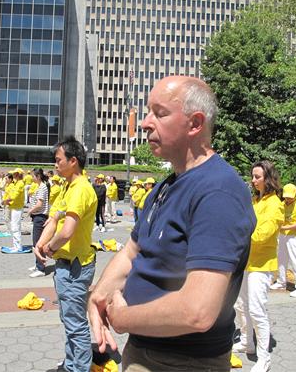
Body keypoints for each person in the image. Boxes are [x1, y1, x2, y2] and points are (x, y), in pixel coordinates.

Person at [88, 76, 256, 372]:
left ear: (195, 124)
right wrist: (99, 296)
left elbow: (197, 311)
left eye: (159, 113)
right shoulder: (166, 186)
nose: (145, 123)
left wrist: (122, 317)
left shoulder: (218, 191)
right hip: (144, 351)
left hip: (181, 363)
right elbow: (132, 252)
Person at [34, 136, 98, 372]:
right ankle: (72, 364)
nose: (55, 164)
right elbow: (54, 220)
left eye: (58, 160)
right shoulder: (67, 187)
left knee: (75, 324)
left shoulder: (81, 189)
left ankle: (78, 368)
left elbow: (68, 231)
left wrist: (49, 248)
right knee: (69, 319)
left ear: (73, 161)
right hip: (66, 265)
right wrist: (39, 245)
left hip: (75, 266)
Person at [233, 160, 284, 372]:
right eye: (252, 177)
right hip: (246, 261)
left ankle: (264, 357)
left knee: (256, 309)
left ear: (268, 179)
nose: (253, 181)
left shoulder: (275, 204)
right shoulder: (255, 201)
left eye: (257, 177)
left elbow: (263, 234)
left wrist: (238, 235)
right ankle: (247, 342)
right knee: (240, 306)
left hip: (262, 265)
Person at [271, 183, 296, 298]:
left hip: (295, 237)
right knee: (281, 260)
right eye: (286, 196)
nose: (288, 199)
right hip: (283, 236)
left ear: (295, 194)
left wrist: (285, 227)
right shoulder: (282, 204)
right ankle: (281, 282)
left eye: (290, 197)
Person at [27, 168, 49, 278]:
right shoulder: (40, 186)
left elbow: (40, 204)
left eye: (33, 176)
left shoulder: (42, 187)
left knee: (38, 243)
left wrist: (30, 211)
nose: (32, 178)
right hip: (38, 217)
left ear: (38, 176)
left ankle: (41, 268)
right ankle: (38, 264)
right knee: (36, 242)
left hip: (40, 217)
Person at [2, 168, 25, 252]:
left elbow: (15, 195)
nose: (14, 175)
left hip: (17, 207)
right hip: (14, 206)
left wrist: (6, 201)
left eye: (16, 173)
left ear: (19, 174)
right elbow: (12, 194)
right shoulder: (17, 183)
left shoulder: (20, 183)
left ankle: (18, 247)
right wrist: (7, 201)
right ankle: (16, 245)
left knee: (15, 227)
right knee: (14, 226)